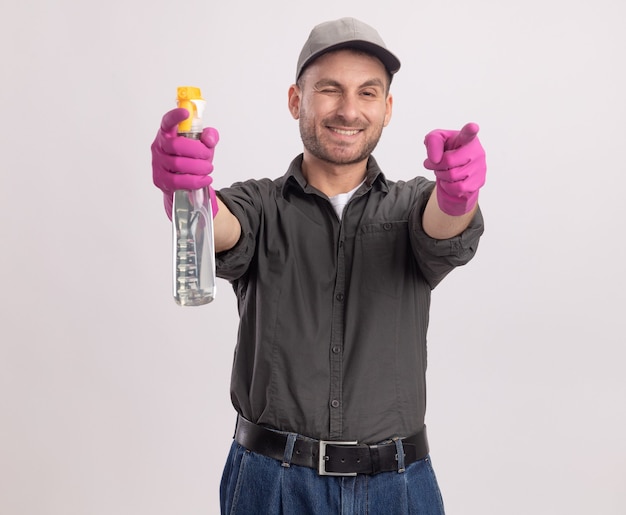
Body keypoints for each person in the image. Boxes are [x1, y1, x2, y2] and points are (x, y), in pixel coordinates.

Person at [151, 17, 486, 515]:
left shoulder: (411, 204)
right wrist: (188, 189)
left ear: (387, 108)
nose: (349, 110)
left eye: (368, 93)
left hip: (398, 489)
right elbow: (223, 228)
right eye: (329, 90)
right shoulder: (260, 204)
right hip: (271, 487)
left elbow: (441, 224)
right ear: (296, 100)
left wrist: (460, 195)